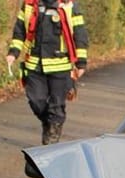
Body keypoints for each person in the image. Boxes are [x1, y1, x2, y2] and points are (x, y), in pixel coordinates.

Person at [6, 0, 89, 145]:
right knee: (36, 101)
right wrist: (13, 52)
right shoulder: (29, 5)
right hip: (34, 64)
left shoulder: (69, 5)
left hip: (60, 65)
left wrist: (80, 62)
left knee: (56, 106)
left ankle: (51, 141)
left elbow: (80, 33)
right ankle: (50, 124)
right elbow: (20, 30)